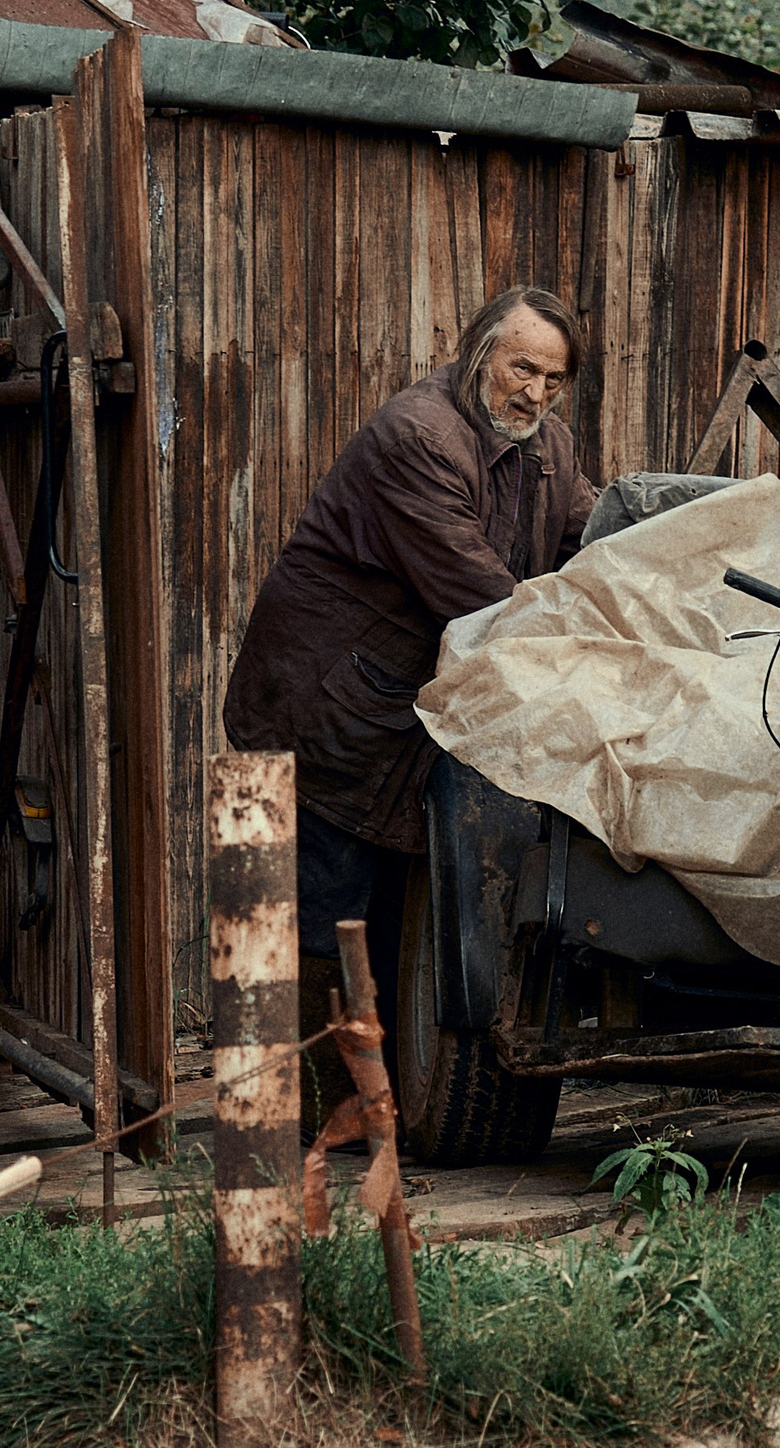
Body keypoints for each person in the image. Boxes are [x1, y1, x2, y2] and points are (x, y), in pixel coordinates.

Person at [221, 285, 598, 1117]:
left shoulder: (551, 449)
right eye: (522, 367)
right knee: (314, 911)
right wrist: (587, 652)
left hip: (408, 712)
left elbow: (587, 540)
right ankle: (292, 1132)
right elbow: (479, 592)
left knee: (389, 913)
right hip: (324, 702)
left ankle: (362, 1117)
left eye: (555, 378)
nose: (536, 393)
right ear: (479, 355)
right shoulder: (417, 437)